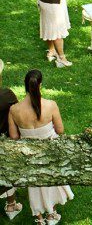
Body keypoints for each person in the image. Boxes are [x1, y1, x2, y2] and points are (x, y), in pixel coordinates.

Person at [8, 70, 74, 224]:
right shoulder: (51, 105)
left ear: (25, 86)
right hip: (50, 148)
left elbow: (14, 136)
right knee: (51, 180)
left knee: (35, 185)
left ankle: (39, 218)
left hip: (29, 153)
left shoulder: (14, 110)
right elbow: (60, 130)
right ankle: (51, 215)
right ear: (40, 85)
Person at [0, 59, 21, 221]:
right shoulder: (6, 95)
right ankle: (11, 205)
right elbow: (18, 115)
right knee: (8, 172)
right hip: (5, 141)